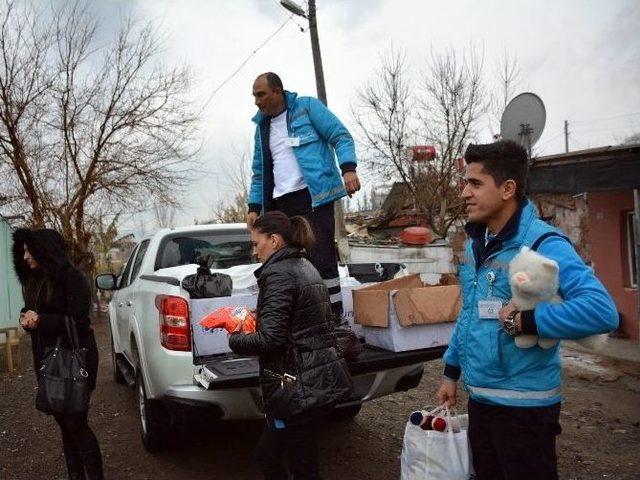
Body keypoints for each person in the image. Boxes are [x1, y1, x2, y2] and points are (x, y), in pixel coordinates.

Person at [435, 140, 619, 480]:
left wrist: (526, 321)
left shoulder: (543, 243)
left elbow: (601, 312)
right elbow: (471, 313)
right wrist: (451, 370)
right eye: (465, 183)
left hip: (525, 410)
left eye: (474, 183)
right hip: (481, 402)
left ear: (508, 189)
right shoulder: (479, 244)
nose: (463, 193)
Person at [229, 211, 353, 480]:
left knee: (274, 459)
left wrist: (235, 337)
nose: (254, 251)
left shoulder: (279, 273)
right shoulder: (304, 265)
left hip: (297, 390)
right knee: (301, 461)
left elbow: (271, 339)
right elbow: (299, 321)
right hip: (313, 383)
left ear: (273, 240)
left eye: (255, 243)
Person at [247, 72, 360, 318]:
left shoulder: (307, 108)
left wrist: (348, 168)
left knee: (321, 259)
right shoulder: (262, 128)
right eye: (254, 96)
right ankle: (295, 319)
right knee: (283, 264)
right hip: (279, 205)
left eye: (261, 94)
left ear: (277, 91)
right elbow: (259, 172)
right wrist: (254, 206)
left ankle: (333, 320)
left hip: (313, 199)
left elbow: (340, 135)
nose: (256, 101)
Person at [12, 228, 103, 480]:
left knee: (75, 421)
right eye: (23, 251)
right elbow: (32, 309)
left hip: (74, 359)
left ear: (45, 249)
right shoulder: (34, 280)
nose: (26, 256)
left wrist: (41, 320)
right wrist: (26, 316)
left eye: (30, 250)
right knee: (63, 423)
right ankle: (75, 475)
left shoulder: (71, 278)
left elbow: (78, 321)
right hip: (46, 360)